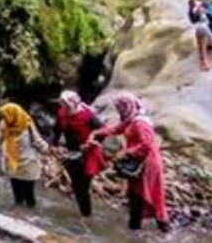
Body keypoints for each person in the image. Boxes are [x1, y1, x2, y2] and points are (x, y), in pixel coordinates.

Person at [90, 93, 169, 232]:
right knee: (135, 195)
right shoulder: (130, 120)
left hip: (148, 163)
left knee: (151, 195)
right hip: (137, 161)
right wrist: (97, 133)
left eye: (120, 108)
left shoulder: (140, 123)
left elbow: (146, 144)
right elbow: (116, 129)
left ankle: (164, 228)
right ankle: (134, 229)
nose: (119, 111)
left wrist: (126, 152)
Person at [0, 103, 49, 208]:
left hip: (28, 164)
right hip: (12, 163)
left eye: (6, 115)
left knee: (29, 196)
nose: (4, 118)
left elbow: (37, 141)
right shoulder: (4, 124)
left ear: (14, 114)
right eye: (3, 116)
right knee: (17, 197)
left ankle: (31, 218)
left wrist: (48, 150)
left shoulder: (27, 124)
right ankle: (18, 215)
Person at [49, 91, 105, 217]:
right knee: (75, 184)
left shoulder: (87, 116)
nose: (65, 106)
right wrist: (53, 144)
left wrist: (90, 143)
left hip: (88, 154)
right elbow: (56, 130)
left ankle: (86, 215)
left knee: (83, 186)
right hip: (71, 153)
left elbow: (103, 132)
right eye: (63, 104)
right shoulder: (61, 113)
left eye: (67, 104)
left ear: (74, 103)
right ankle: (84, 213)